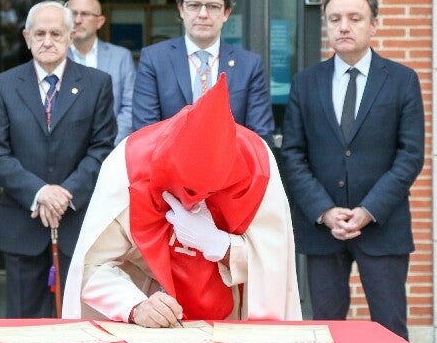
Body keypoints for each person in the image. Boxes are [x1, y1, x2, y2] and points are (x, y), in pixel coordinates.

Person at [63, 75, 301, 326]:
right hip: (153, 319)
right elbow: (92, 266)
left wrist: (221, 246)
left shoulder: (258, 169)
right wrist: (135, 306)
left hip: (231, 319)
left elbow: (273, 267)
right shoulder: (127, 167)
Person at [280, 0, 424, 340]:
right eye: (335, 19)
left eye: (355, 19)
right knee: (324, 328)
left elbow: (410, 155)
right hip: (322, 229)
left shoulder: (402, 80)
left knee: (391, 328)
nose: (344, 27)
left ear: (374, 25)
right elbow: (293, 155)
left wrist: (369, 209)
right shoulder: (305, 83)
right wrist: (324, 210)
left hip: (382, 225)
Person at [0, 1, 116, 318]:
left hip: (76, 222)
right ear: (27, 37)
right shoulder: (3, 86)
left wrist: (66, 194)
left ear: (71, 36)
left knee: (75, 326)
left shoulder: (96, 84)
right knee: (22, 328)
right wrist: (41, 193)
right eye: (39, 33)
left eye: (56, 33)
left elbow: (102, 149)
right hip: (23, 225)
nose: (47, 41)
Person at [132, 0, 275, 145]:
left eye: (213, 6)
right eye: (193, 5)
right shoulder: (154, 59)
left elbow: (259, 135)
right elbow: (146, 132)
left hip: (230, 169)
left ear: (226, 13)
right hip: (169, 169)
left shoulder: (249, 65)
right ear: (181, 9)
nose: (202, 14)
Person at [66, 0, 136, 144]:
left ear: (100, 21)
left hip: (111, 147)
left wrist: (108, 144)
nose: (77, 20)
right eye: (73, 14)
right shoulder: (56, 58)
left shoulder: (121, 57)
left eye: (85, 14)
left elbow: (130, 107)